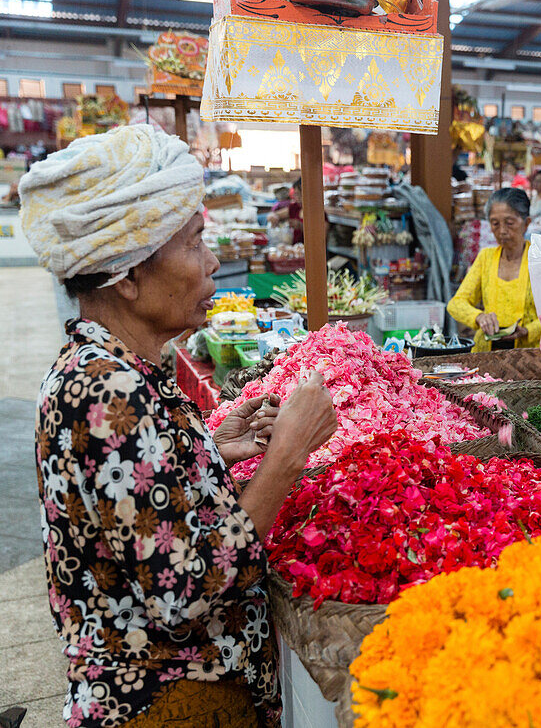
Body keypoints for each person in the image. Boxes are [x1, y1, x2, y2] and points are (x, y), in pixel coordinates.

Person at [21, 125, 338, 727]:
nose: (214, 261)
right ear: (129, 275)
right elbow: (183, 592)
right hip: (165, 700)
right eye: (195, 243)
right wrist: (285, 457)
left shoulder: (118, 369)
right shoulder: (103, 388)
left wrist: (208, 445)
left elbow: (135, 504)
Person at [447, 188, 541, 352]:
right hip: (486, 353)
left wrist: (528, 330)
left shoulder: (539, 258)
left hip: (529, 355)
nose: (502, 231)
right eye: (495, 224)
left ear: (526, 223)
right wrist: (479, 317)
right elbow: (456, 303)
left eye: (509, 223)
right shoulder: (486, 257)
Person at [268, 177, 303, 244]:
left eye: (298, 194)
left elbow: (321, 237)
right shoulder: (294, 207)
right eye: (295, 194)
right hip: (293, 249)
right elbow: (274, 214)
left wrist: (301, 226)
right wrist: (272, 217)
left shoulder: (317, 211)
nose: (296, 197)